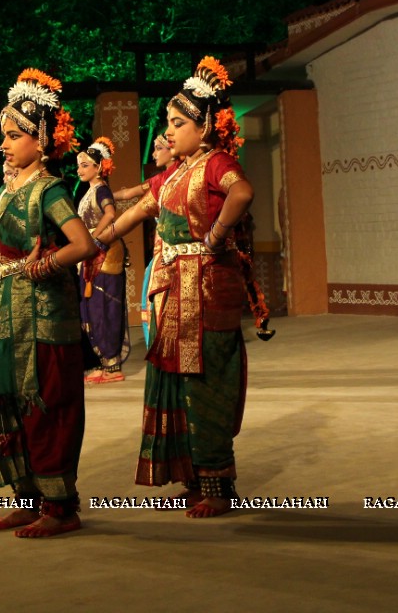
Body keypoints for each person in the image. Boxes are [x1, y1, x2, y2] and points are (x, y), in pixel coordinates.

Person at [95, 56, 255, 518]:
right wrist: (93, 242)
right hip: (173, 293)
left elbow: (241, 192)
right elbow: (137, 211)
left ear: (204, 127)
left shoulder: (215, 163)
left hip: (204, 291)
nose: (168, 132)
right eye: (168, 122)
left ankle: (218, 483)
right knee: (178, 383)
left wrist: (217, 236)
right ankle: (193, 475)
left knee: (206, 382)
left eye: (177, 123)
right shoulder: (176, 173)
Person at [0, 67, 96, 538]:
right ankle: (27, 498)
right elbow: (0, 250)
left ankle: (60, 508)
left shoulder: (49, 190)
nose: (4, 144)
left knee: (45, 407)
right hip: (7, 313)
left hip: (44, 319)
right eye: (4, 135)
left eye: (14, 135)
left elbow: (83, 244)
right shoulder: (7, 189)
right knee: (8, 405)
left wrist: (43, 266)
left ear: (41, 138)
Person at [76, 136, 130, 383]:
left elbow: (110, 213)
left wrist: (96, 239)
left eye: (85, 165)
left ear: (99, 167)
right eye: (79, 165)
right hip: (90, 254)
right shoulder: (90, 191)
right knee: (91, 308)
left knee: (103, 308)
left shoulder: (102, 189)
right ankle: (99, 362)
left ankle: (111, 365)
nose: (79, 170)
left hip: (105, 255)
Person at [113, 133, 175, 347]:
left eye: (159, 148)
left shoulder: (171, 180)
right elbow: (130, 193)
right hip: (160, 252)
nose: (153, 153)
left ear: (172, 149)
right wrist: (103, 194)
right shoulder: (158, 181)